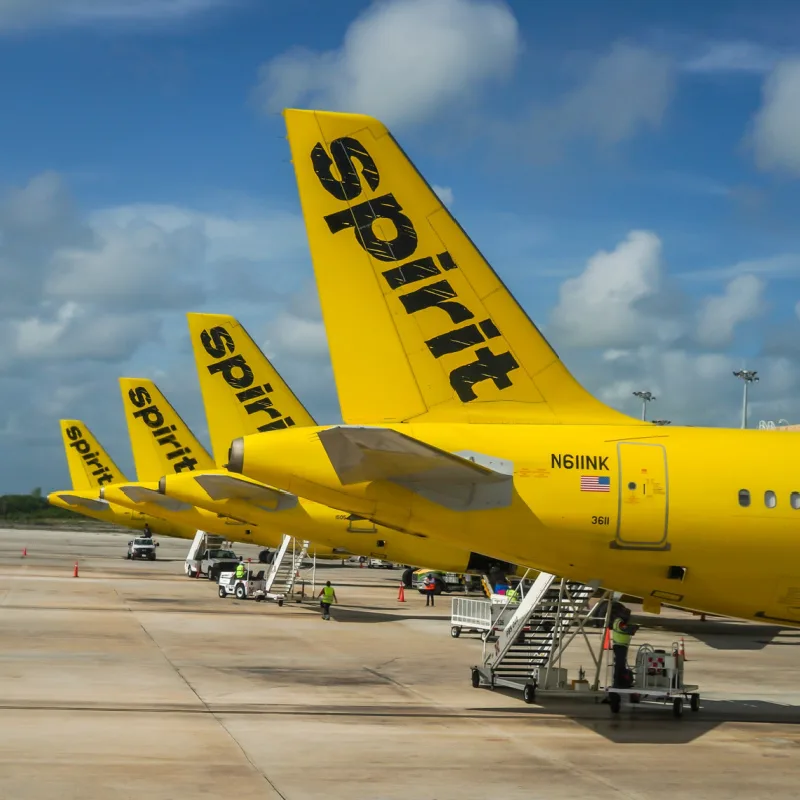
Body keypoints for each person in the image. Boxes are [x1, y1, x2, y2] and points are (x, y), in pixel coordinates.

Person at [611, 606, 639, 688]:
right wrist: (634, 628)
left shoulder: (619, 621)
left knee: (621, 665)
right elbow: (626, 629)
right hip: (620, 646)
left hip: (621, 646)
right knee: (619, 665)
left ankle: (620, 681)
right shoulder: (619, 622)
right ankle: (617, 682)